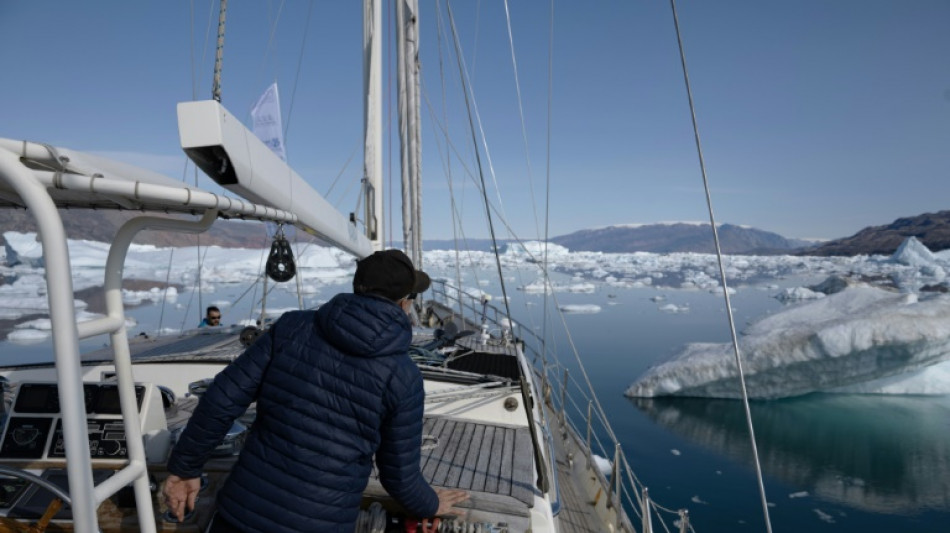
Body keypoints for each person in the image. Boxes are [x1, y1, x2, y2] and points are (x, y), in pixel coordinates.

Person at [163, 249, 469, 532]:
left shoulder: (293, 327)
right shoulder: (404, 376)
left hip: (242, 514)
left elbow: (222, 399)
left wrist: (184, 469)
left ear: (356, 288)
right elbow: (397, 475)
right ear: (405, 303)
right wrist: (430, 503)